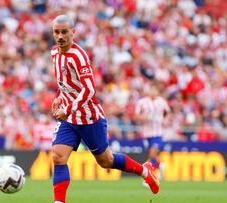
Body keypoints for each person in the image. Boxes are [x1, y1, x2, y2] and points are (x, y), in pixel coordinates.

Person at [50, 15, 159, 203]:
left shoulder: (79, 56)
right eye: (56, 32)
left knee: (105, 161)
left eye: (64, 32)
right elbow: (66, 82)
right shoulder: (54, 53)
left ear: (73, 32)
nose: (60, 36)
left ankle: (144, 171)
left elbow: (89, 89)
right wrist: (60, 96)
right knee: (58, 157)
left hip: (89, 118)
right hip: (70, 119)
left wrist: (68, 109)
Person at [135, 85, 171, 180]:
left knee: (152, 153)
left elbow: (168, 113)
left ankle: (149, 177)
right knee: (151, 156)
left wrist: (166, 120)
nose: (153, 92)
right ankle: (160, 165)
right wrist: (143, 118)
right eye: (151, 90)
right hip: (146, 133)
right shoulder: (142, 102)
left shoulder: (162, 102)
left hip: (158, 133)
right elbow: (136, 116)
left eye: (155, 90)